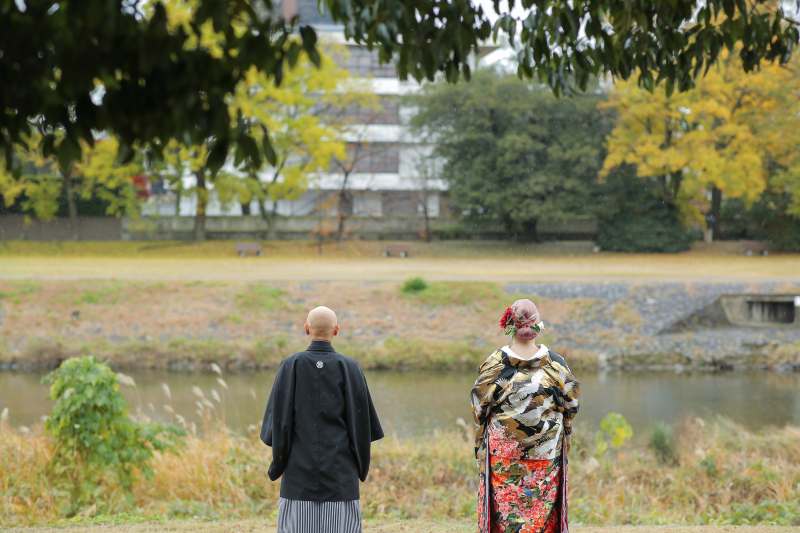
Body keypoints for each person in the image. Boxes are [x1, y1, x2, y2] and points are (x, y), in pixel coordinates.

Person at [261, 306, 384, 533]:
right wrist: (359, 467)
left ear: (306, 329)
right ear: (336, 331)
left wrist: (278, 463)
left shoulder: (290, 365)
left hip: (299, 473)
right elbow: (362, 428)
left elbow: (278, 425)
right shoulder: (351, 368)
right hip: (340, 474)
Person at [471, 299, 580, 533]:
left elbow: (478, 408)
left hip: (505, 456)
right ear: (537, 325)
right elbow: (572, 405)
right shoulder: (555, 364)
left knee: (506, 512)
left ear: (509, 325)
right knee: (541, 512)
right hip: (546, 453)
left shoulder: (496, 364)